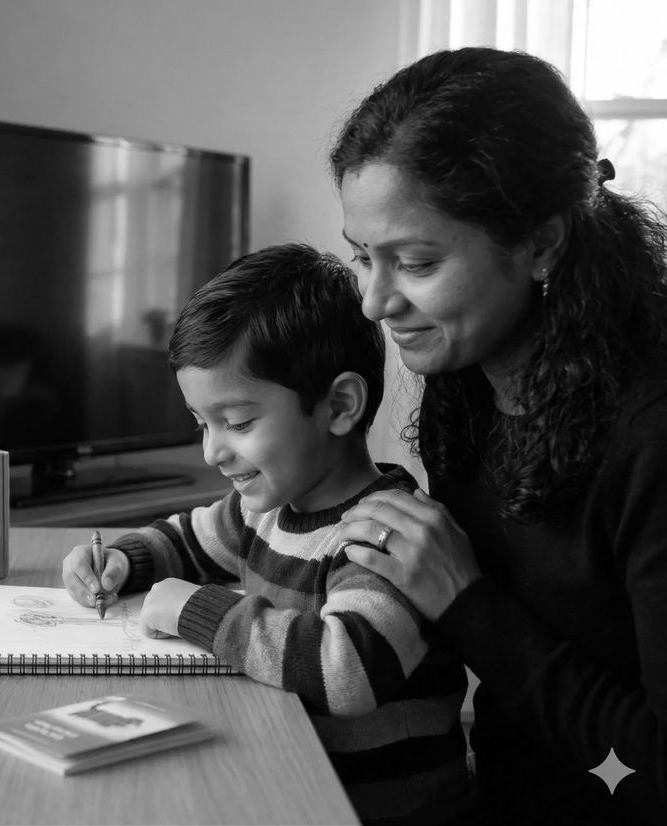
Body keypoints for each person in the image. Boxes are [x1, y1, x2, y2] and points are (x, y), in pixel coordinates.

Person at [330, 47, 667, 824]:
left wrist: (467, 603)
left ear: (542, 244)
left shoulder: (653, 439)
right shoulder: (468, 378)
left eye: (414, 262)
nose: (377, 302)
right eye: (362, 259)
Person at [61, 243, 473, 825]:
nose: (213, 450)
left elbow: (346, 670)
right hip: (292, 785)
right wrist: (123, 561)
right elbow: (187, 540)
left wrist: (198, 612)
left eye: (239, 422)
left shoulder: (383, 532)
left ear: (339, 406)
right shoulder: (266, 510)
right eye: (202, 423)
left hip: (382, 811)